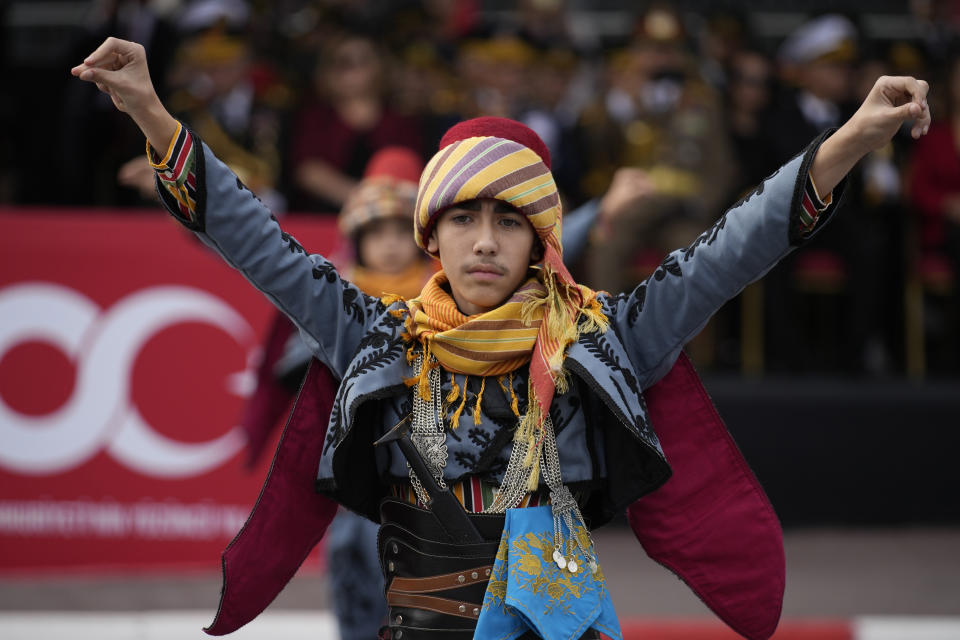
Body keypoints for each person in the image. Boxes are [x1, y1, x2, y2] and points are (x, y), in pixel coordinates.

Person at [73, 37, 931, 640]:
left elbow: (734, 247)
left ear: (541, 242)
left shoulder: (606, 337)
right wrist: (152, 112)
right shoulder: (379, 338)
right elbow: (257, 243)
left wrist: (853, 136)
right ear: (432, 237)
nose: (485, 241)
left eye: (508, 223)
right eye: (464, 219)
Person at [240, 145, 433, 640]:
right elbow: (254, 253)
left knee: (412, 573)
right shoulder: (334, 294)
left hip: (424, 468)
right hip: (352, 462)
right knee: (349, 557)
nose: (389, 245)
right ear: (356, 238)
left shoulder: (448, 299)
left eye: (400, 232)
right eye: (377, 232)